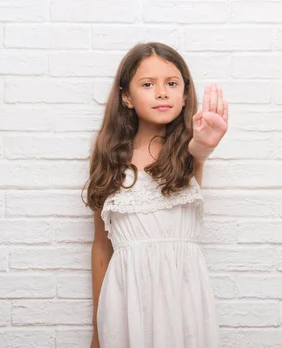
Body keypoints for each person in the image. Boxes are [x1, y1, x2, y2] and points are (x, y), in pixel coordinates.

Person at [82, 42, 228, 348]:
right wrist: (97, 330)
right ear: (126, 96)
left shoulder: (187, 153)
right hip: (125, 298)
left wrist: (206, 142)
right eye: (148, 84)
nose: (162, 92)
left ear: (185, 93)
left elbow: (198, 152)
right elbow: (101, 248)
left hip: (183, 297)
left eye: (172, 83)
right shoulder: (108, 158)